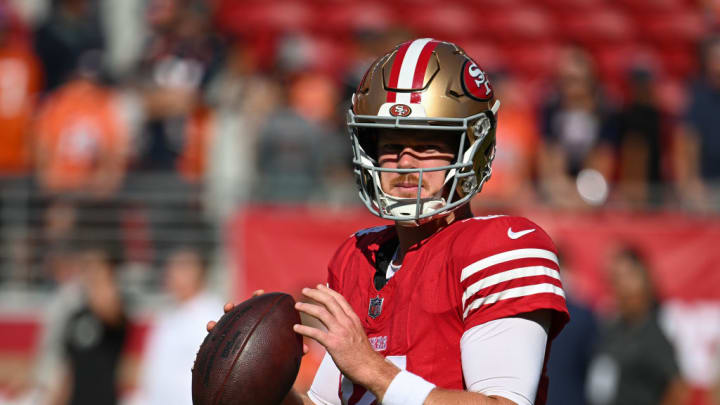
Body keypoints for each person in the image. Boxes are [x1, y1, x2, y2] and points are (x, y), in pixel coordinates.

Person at [209, 38, 569, 405]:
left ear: (473, 146)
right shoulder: (357, 255)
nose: (405, 162)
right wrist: (261, 384)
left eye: (428, 142)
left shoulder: (505, 246)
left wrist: (371, 368)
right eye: (391, 143)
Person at [586, 247, 687, 405]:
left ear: (644, 281)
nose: (620, 286)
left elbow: (678, 386)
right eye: (614, 279)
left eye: (625, 277)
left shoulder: (654, 330)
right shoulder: (612, 327)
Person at [138, 245, 223, 405]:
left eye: (182, 267)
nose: (172, 274)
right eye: (171, 267)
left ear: (199, 271)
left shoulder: (210, 315)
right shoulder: (167, 316)